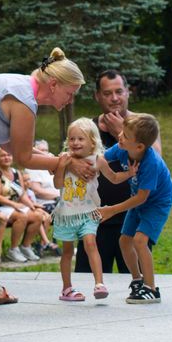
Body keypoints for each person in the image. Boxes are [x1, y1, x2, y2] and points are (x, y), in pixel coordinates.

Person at [0, 50, 92, 306]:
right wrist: (64, 163)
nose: (70, 101)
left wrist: (60, 162)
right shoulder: (25, 100)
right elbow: (23, 158)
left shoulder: (23, 89)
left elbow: (15, 147)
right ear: (54, 85)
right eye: (70, 94)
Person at [77, 70, 162, 277]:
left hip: (134, 215)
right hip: (96, 217)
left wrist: (120, 132)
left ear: (127, 93)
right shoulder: (88, 128)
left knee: (137, 279)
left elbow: (157, 162)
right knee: (89, 281)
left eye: (119, 91)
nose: (114, 98)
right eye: (107, 93)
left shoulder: (143, 125)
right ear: (97, 96)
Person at [93, 113, 172, 303]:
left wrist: (111, 210)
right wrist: (86, 163)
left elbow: (142, 197)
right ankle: (137, 280)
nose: (120, 136)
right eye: (122, 132)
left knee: (139, 241)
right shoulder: (122, 149)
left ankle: (151, 288)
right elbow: (101, 158)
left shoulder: (151, 163)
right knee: (124, 241)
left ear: (139, 147)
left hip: (156, 203)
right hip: (138, 200)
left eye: (125, 136)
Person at [52, 117, 132, 301]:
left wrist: (130, 173)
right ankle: (66, 288)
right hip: (66, 215)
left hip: (88, 212)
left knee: (90, 243)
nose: (75, 142)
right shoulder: (64, 159)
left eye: (80, 139)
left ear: (93, 142)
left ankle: (99, 284)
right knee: (66, 252)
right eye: (71, 139)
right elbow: (57, 185)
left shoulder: (98, 160)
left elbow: (113, 178)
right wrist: (61, 167)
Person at [0, 146, 49, 263]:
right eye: (3, 155)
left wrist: (32, 205)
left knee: (37, 216)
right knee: (22, 217)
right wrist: (14, 205)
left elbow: (22, 194)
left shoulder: (16, 173)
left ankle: (26, 246)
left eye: (9, 155)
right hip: (0, 207)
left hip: (15, 206)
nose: (6, 158)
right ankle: (13, 249)